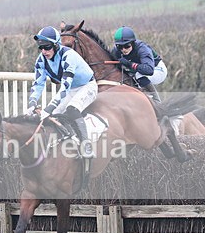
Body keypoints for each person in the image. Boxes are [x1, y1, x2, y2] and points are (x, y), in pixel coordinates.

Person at [26, 25, 98, 157]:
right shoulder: (41, 61)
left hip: (87, 86)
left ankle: (86, 146)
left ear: (56, 45)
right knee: (53, 117)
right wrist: (31, 103)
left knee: (72, 109)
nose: (44, 51)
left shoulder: (69, 56)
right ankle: (64, 144)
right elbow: (38, 84)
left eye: (47, 47)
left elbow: (65, 86)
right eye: (41, 47)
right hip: (71, 89)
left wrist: (48, 108)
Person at [111, 26, 167, 102]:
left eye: (127, 46)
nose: (123, 49)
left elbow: (149, 70)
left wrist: (129, 64)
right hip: (139, 70)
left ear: (133, 43)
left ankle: (157, 101)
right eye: (120, 46)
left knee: (138, 74)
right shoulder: (116, 51)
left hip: (157, 69)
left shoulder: (142, 49)